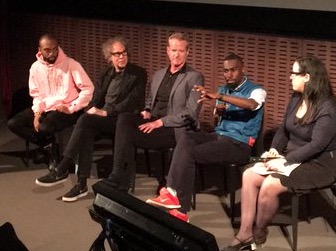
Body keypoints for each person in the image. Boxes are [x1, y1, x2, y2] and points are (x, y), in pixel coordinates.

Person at [220, 55, 336, 251]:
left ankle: (259, 233)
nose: (290, 77)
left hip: (318, 164)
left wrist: (285, 160)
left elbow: (317, 145)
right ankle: (245, 233)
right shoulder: (296, 97)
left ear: (307, 77)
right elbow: (284, 130)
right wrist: (275, 150)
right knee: (249, 175)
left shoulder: (329, 107)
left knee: (270, 185)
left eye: (294, 73)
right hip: (292, 157)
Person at [146, 53, 267, 222]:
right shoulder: (224, 89)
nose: (228, 74)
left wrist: (220, 97)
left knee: (191, 154)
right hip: (220, 136)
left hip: (240, 144)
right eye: (225, 71)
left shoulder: (256, 90)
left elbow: (252, 105)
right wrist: (218, 111)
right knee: (187, 137)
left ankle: (180, 209)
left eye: (233, 70)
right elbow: (217, 121)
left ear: (243, 69)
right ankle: (172, 192)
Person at [34, 35, 147, 202]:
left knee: (85, 122)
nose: (122, 57)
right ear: (110, 57)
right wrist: (91, 109)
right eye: (117, 54)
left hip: (124, 119)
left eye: (124, 53)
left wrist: (106, 113)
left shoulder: (138, 73)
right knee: (86, 125)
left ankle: (63, 167)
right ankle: (81, 183)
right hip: (104, 119)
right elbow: (96, 98)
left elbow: (132, 102)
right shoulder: (105, 74)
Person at [101, 32, 205, 193]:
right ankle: (117, 176)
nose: (177, 54)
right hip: (154, 121)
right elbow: (150, 99)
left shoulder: (194, 77)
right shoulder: (159, 74)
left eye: (181, 51)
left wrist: (160, 122)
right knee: (124, 118)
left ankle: (123, 181)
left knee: (126, 137)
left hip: (174, 128)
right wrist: (147, 111)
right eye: (174, 50)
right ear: (168, 51)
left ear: (187, 52)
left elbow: (190, 113)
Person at [7, 34, 94, 171]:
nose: (52, 53)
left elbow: (88, 88)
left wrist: (72, 107)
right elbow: (36, 94)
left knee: (45, 127)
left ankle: (50, 152)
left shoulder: (71, 64)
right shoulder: (35, 68)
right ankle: (48, 146)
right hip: (45, 107)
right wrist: (37, 113)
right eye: (47, 50)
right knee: (14, 123)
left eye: (55, 49)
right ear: (40, 50)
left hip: (67, 108)